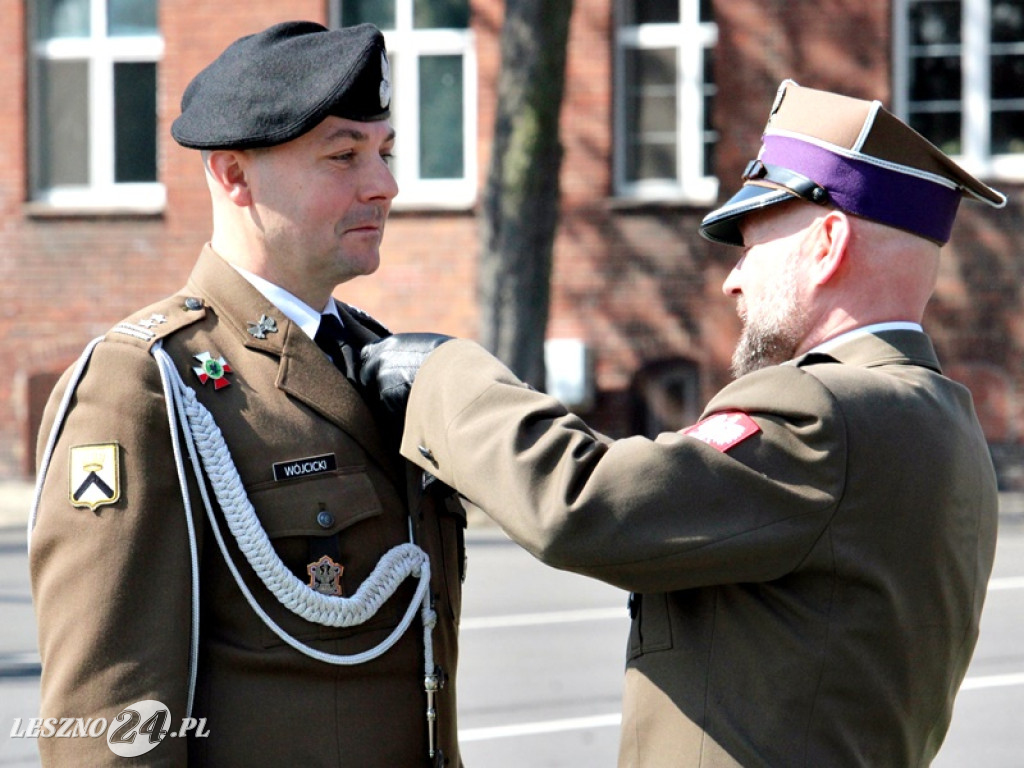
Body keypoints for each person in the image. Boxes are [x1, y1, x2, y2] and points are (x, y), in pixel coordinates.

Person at [358, 80, 1005, 767]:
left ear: (827, 244)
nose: (733, 279)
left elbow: (585, 503)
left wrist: (443, 378)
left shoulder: (821, 412)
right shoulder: (946, 421)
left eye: (753, 242)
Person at [29, 21, 465, 767]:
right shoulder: (145, 384)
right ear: (234, 176)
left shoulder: (372, 356)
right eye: (344, 155)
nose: (384, 184)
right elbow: (111, 724)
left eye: (386, 151)